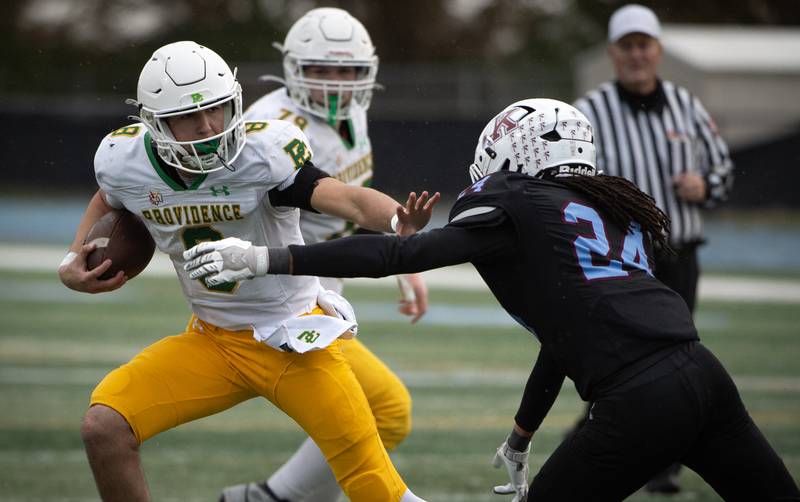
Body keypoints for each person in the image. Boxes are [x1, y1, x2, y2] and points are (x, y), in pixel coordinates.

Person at [186, 98, 800, 501]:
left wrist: (267, 257)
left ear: (516, 150)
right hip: (704, 375)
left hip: (639, 397)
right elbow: (564, 335)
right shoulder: (611, 210)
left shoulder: (515, 204)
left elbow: (400, 254)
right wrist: (522, 434)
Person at [57, 40, 436, 502]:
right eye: (189, 117)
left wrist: (398, 220)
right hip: (212, 340)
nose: (209, 126)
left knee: (376, 486)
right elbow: (108, 198)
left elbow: (345, 198)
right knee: (104, 425)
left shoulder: (263, 154)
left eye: (217, 109)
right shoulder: (124, 160)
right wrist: (72, 259)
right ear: (156, 124)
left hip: (294, 342)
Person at [220, 8, 425, 502]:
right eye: (322, 70)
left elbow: (354, 203)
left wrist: (401, 256)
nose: (336, 84)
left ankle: (271, 498)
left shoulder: (351, 114)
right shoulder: (270, 128)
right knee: (384, 408)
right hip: (280, 297)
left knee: (374, 413)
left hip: (319, 287)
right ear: (292, 68)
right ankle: (271, 499)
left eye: (348, 71)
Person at [571, 4, 735, 493]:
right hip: (622, 256)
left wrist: (704, 187)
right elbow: (569, 173)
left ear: (658, 51)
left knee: (678, 359)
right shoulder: (590, 110)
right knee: (621, 360)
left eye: (644, 45)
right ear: (613, 53)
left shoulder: (687, 105)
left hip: (680, 253)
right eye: (627, 46)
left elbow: (723, 168)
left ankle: (659, 458)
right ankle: (597, 443)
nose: (636, 55)